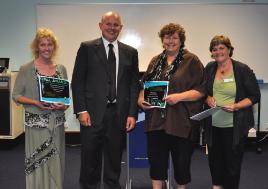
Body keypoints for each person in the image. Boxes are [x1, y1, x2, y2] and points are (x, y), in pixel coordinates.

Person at [71, 11, 139, 189]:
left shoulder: (130, 52)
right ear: (100, 26)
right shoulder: (86, 48)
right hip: (91, 114)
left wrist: (132, 113)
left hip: (119, 114)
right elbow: (77, 81)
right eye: (108, 24)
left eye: (116, 25)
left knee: (114, 158)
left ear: (121, 28)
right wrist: (81, 110)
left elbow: (133, 85)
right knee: (89, 158)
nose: (112, 28)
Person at [137, 23, 206, 189]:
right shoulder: (155, 61)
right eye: (167, 37)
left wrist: (179, 97)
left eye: (174, 37)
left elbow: (202, 90)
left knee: (181, 166)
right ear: (162, 40)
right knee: (156, 164)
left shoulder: (192, 61)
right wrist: (140, 101)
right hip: (156, 123)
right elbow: (144, 86)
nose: (170, 41)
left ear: (181, 40)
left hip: (181, 122)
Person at [12, 28, 68, 189]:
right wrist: (35, 102)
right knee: (37, 163)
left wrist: (63, 105)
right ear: (37, 47)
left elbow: (66, 101)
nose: (46, 48)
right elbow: (16, 95)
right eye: (42, 45)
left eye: (49, 44)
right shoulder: (26, 69)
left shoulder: (61, 69)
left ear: (54, 47)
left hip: (56, 124)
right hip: (36, 126)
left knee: (56, 161)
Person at [204, 35, 261, 189]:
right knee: (214, 161)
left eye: (221, 48)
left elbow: (255, 96)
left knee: (232, 164)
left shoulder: (242, 69)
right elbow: (204, 91)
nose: (218, 52)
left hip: (234, 126)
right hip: (213, 125)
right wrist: (208, 98)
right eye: (214, 49)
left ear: (229, 49)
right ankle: (216, 186)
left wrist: (236, 106)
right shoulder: (209, 67)